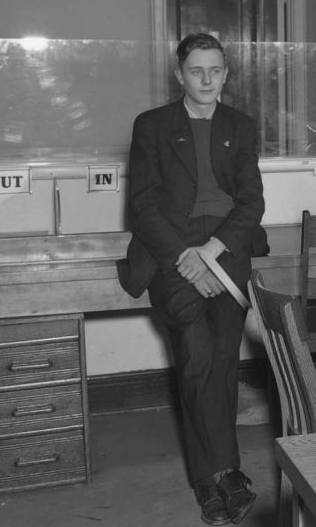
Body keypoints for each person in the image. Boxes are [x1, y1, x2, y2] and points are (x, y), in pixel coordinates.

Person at [117, 33, 268, 526]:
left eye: (216, 70)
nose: (207, 80)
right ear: (179, 74)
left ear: (226, 74)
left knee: (223, 356)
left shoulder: (240, 127)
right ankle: (223, 473)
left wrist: (212, 252)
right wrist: (186, 257)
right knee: (197, 354)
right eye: (197, 71)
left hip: (225, 247)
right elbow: (141, 204)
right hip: (170, 253)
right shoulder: (153, 126)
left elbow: (252, 203)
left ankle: (211, 478)